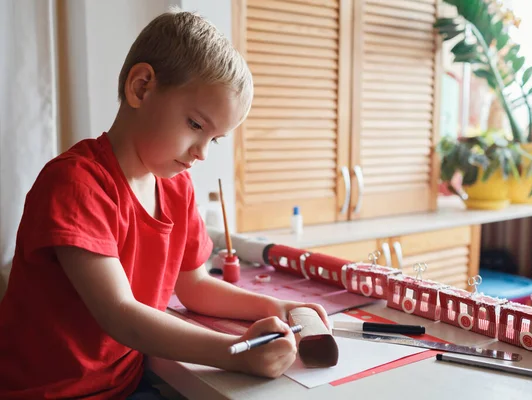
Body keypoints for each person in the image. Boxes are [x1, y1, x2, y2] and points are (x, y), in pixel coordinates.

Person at [0, 9, 328, 399]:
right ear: (141, 87)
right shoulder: (76, 184)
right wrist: (235, 354)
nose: (202, 153)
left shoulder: (176, 188)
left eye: (215, 139)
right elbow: (121, 315)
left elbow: (194, 286)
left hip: (124, 385)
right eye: (195, 125)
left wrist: (273, 307)